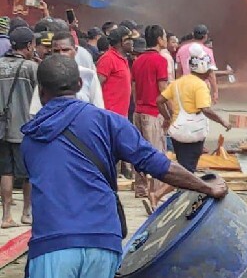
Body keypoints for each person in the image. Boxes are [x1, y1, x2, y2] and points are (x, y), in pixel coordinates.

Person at [21, 55, 228, 278]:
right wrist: (206, 187)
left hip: (51, 244)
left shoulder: (31, 136)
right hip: (102, 241)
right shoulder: (108, 122)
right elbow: (159, 165)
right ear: (80, 84)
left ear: (40, 90)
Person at [148, 51, 231, 209]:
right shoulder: (200, 85)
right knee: (187, 172)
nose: (211, 72)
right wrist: (222, 121)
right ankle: (157, 194)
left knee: (182, 166)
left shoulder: (179, 82)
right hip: (192, 132)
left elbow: (160, 100)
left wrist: (168, 117)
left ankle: (179, 198)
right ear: (202, 68)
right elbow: (205, 109)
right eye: (209, 69)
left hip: (177, 130)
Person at [0, 27, 37, 228]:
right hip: (24, 129)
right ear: (29, 45)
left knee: (6, 171)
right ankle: (26, 213)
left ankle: (6, 216)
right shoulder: (30, 68)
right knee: (28, 174)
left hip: (1, 130)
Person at [130, 25, 170, 199]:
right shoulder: (160, 60)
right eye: (165, 37)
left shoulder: (138, 60)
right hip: (153, 113)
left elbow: (133, 87)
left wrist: (137, 105)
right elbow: (163, 89)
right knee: (156, 153)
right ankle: (155, 191)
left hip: (138, 112)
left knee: (138, 151)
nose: (166, 40)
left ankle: (140, 188)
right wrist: (169, 114)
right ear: (159, 40)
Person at [29, 32, 105, 115]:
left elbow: (98, 108)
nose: (61, 54)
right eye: (56, 51)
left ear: (75, 51)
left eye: (65, 50)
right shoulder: (45, 75)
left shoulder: (89, 75)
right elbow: (36, 111)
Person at [96, 27, 134, 117]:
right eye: (129, 40)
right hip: (109, 115)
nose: (132, 42)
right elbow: (96, 86)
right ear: (121, 42)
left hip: (121, 115)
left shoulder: (123, 59)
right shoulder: (108, 59)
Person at [176, 25, 218, 102]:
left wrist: (178, 88)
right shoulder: (207, 51)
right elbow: (211, 73)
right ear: (205, 36)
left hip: (186, 86)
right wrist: (215, 91)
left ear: (193, 35)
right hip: (202, 87)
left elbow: (179, 71)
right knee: (202, 109)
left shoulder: (181, 49)